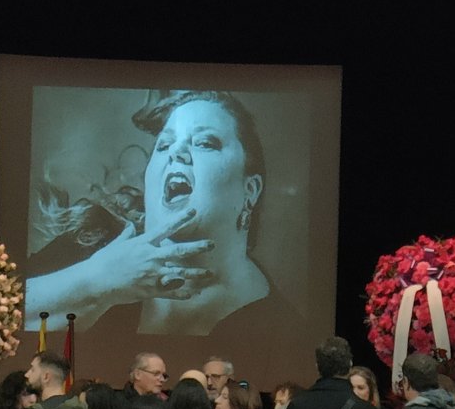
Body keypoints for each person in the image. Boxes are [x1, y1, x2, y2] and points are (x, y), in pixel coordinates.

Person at [26, 90, 275, 337]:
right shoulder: (92, 240)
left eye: (205, 143)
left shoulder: (275, 322)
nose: (176, 152)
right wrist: (98, 279)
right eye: (164, 144)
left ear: (250, 191)